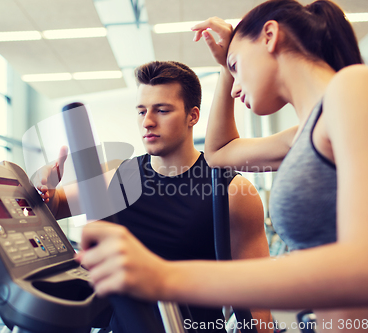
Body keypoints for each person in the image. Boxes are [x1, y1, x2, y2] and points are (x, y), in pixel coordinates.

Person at [77, 0, 368, 331]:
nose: (237, 85)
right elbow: (220, 152)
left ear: (270, 36)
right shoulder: (304, 134)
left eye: (236, 67)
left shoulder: (354, 85)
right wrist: (227, 66)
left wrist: (165, 276)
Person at [36, 61, 272, 332]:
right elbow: (54, 206)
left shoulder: (232, 192)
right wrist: (46, 188)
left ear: (192, 116)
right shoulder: (119, 178)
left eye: (162, 110)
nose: (147, 122)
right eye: (141, 111)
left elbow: (256, 298)